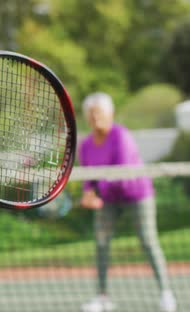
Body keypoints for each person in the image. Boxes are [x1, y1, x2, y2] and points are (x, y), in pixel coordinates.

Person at [78, 92, 177, 312]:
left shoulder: (121, 136)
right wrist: (88, 194)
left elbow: (121, 175)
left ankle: (166, 293)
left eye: (99, 113)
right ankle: (102, 297)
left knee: (148, 241)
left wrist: (96, 193)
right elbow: (88, 176)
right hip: (108, 199)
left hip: (137, 194)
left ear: (110, 113)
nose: (95, 118)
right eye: (91, 114)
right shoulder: (86, 145)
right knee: (101, 243)